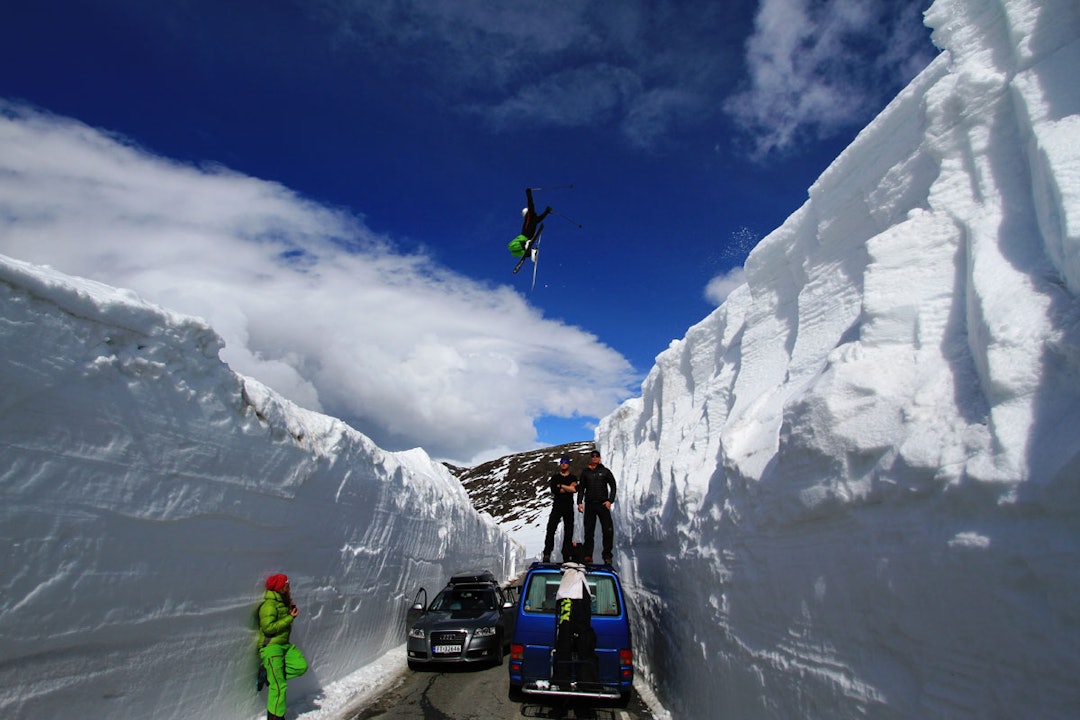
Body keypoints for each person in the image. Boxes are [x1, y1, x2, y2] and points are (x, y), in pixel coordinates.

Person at [259, 574, 308, 720]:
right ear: (280, 587)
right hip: (272, 648)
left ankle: (270, 674)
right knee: (279, 687)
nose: (289, 588)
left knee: (300, 666)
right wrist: (289, 618)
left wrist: (289, 609)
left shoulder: (282, 603)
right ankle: (276, 718)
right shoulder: (269, 606)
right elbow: (268, 628)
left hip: (284, 646)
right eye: (286, 585)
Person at [576, 449, 617, 565]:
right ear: (590, 458)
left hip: (603, 504)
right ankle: (588, 555)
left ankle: (607, 555)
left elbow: (613, 485)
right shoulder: (585, 472)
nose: (595, 458)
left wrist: (610, 501)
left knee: (608, 530)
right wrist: (579, 502)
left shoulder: (605, 471)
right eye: (593, 456)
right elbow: (581, 489)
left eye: (597, 456)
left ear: (599, 458)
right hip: (589, 504)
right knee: (589, 531)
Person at [542, 456, 578, 563]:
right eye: (562, 462)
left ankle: (566, 555)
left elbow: (574, 489)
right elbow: (555, 490)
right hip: (557, 507)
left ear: (569, 465)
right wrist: (568, 488)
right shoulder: (555, 478)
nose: (563, 464)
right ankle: (547, 553)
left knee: (569, 532)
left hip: (568, 507)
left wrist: (561, 486)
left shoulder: (573, 477)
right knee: (551, 529)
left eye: (566, 462)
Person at [507, 187, 552, 260]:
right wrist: (546, 212)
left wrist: (528, 193)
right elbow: (540, 218)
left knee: (510, 246)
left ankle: (525, 245)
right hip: (528, 237)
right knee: (514, 253)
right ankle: (531, 253)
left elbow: (530, 203)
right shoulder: (535, 219)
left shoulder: (530, 215)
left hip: (524, 236)